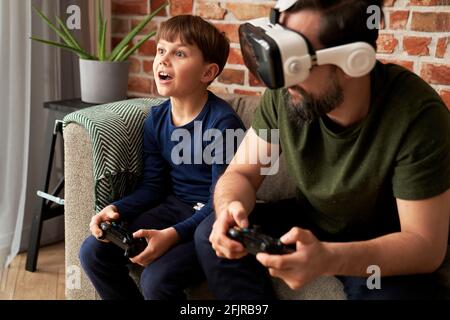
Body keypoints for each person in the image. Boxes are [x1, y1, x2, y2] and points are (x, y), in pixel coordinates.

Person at [195, 0, 450, 300]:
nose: (282, 80)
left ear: (354, 61)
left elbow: (424, 245)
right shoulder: (286, 95)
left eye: (295, 63)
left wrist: (327, 258)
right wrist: (229, 207)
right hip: (311, 218)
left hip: (382, 238)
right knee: (210, 232)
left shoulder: (417, 115)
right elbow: (243, 173)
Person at [79, 15, 245, 300]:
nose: (163, 60)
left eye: (179, 53)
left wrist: (173, 234)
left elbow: (222, 203)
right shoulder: (156, 119)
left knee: (156, 281)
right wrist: (115, 208)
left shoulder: (223, 123)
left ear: (207, 73)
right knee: (93, 251)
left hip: (210, 220)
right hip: (173, 207)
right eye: (160, 50)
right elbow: (153, 187)